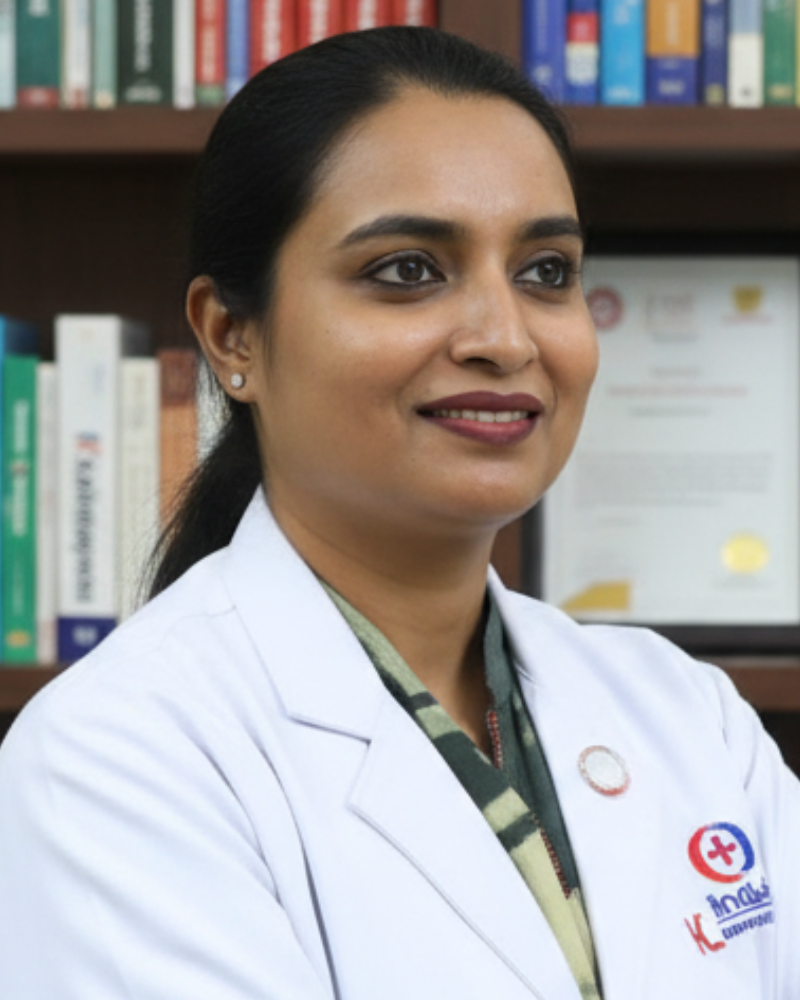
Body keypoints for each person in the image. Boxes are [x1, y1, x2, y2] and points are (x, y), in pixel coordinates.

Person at [0, 26, 797, 1000]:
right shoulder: (117, 757)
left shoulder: (686, 717)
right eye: (407, 270)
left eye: (545, 270)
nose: (504, 339)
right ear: (230, 335)